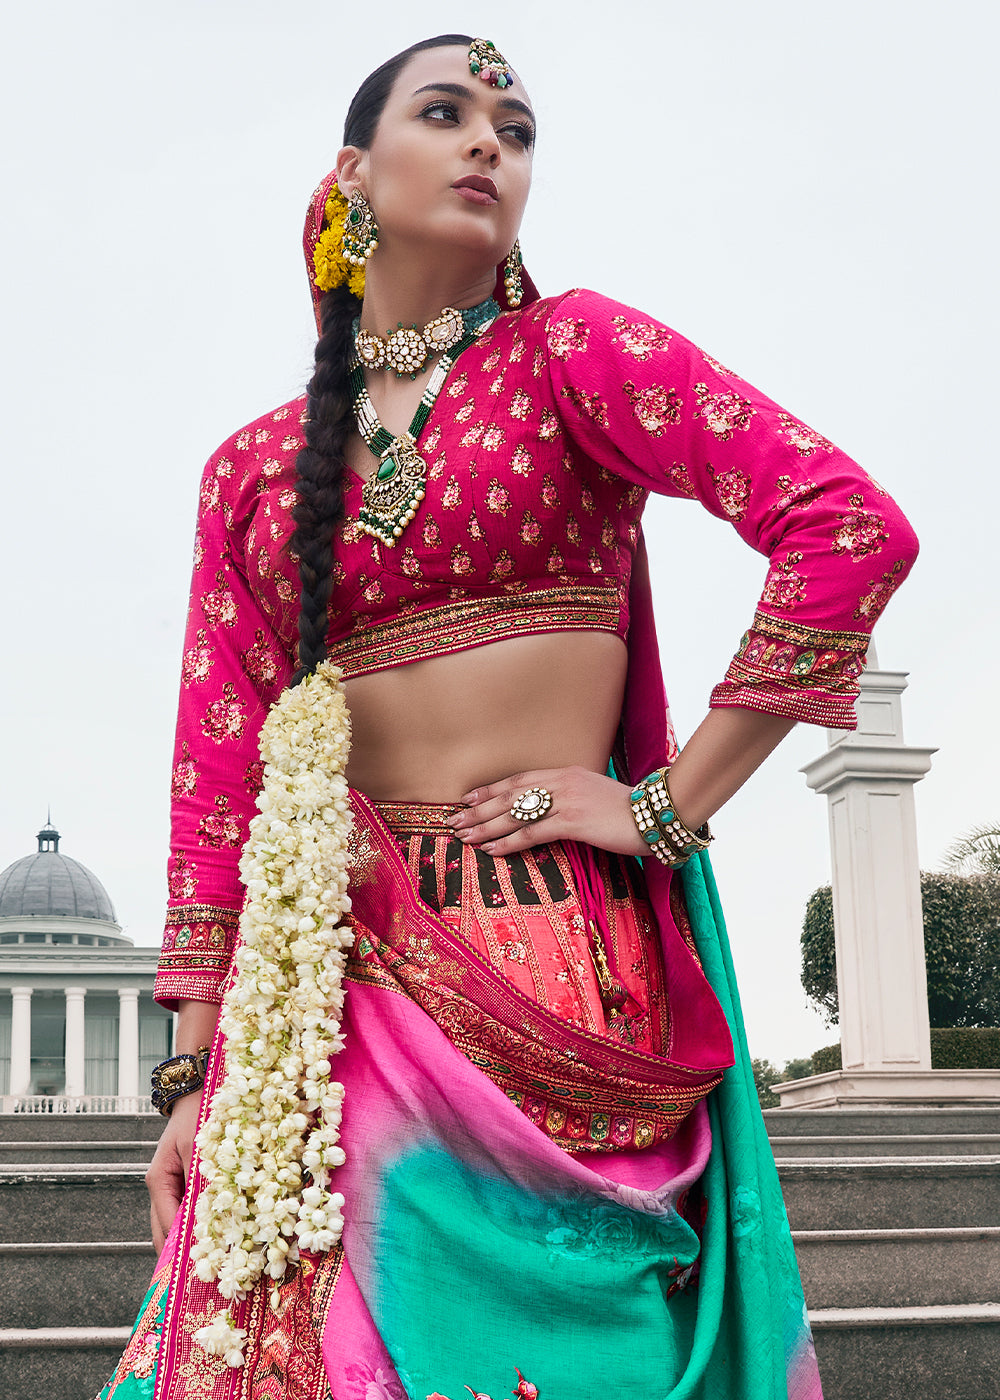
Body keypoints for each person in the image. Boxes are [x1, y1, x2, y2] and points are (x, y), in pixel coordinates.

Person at [99, 32, 918, 1400]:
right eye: (450, 113)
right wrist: (188, 1085)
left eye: (518, 128)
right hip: (324, 997)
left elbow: (848, 528)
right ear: (355, 174)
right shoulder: (250, 470)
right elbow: (216, 784)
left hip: (551, 962)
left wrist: (667, 802)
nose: (492, 142)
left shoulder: (576, 354)